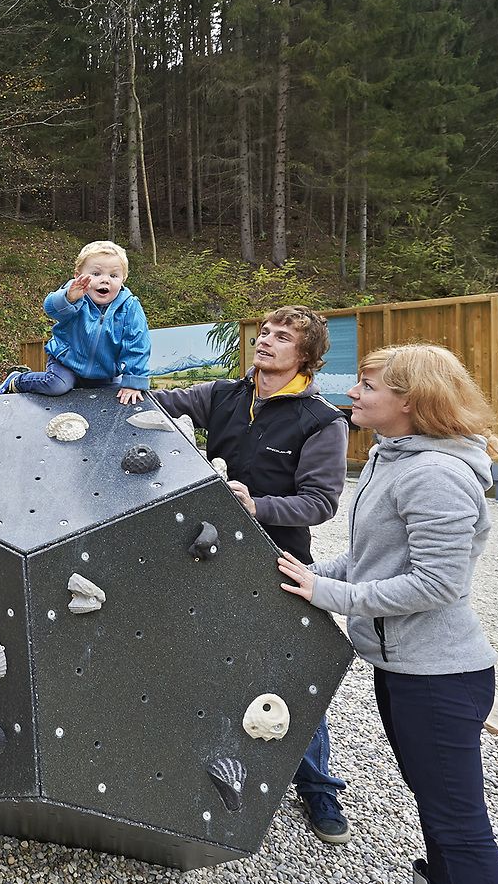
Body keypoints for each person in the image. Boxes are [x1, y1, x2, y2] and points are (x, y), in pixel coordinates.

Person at [275, 344, 498, 884]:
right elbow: (374, 557)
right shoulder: (394, 455)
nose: (352, 392)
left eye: (366, 384)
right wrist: (301, 572)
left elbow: (439, 583)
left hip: (440, 676)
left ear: (410, 400)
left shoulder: (438, 474)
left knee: (463, 825)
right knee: (434, 800)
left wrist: (328, 591)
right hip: (404, 665)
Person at [150, 307, 354, 843]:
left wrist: (258, 506)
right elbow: (148, 403)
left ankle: (319, 792)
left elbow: (320, 502)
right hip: (208, 556)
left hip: (279, 563)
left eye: (281, 337)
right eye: (263, 333)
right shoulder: (222, 396)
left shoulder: (322, 421)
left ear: (305, 358)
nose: (265, 342)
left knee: (283, 675)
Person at [0, 239, 150, 403]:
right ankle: (16, 380)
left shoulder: (130, 307)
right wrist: (68, 298)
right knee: (57, 386)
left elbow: (137, 344)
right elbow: (51, 309)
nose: (105, 280)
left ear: (123, 279)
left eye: (113, 275)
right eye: (96, 274)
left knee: (115, 399)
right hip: (67, 363)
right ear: (78, 275)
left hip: (104, 372)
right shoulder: (76, 293)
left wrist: (133, 381)